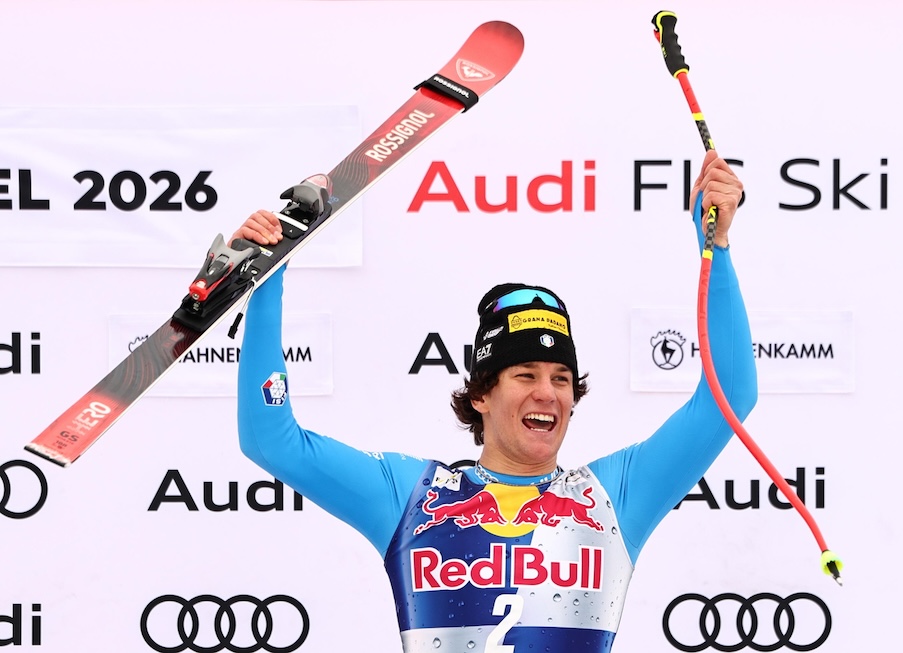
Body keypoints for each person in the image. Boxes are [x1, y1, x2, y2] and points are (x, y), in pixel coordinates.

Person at [233, 150, 757, 652]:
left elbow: (729, 396)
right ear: (482, 393)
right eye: (525, 374)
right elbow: (271, 441)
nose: (547, 393)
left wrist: (715, 246)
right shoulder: (410, 496)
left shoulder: (613, 497)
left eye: (561, 378)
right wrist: (268, 280)